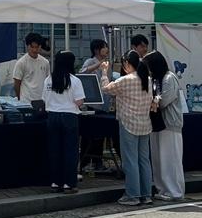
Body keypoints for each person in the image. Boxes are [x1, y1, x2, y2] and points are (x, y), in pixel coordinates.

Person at [103, 52, 154, 207]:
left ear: (127, 63)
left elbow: (106, 89)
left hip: (128, 124)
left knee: (130, 161)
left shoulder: (125, 80)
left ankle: (133, 195)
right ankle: (146, 194)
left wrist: (105, 72)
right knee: (143, 161)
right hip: (144, 124)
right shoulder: (148, 79)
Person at [144, 51, 185, 201]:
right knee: (158, 158)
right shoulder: (156, 79)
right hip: (156, 123)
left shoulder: (169, 78)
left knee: (170, 159)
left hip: (169, 123)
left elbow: (164, 101)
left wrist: (151, 101)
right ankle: (163, 189)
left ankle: (175, 191)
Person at [42, 51, 85, 193]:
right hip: (69, 117)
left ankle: (55, 182)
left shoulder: (49, 79)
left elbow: (44, 99)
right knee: (70, 151)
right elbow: (79, 102)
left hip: (52, 116)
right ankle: (69, 183)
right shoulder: (74, 80)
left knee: (55, 150)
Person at [80, 39, 113, 173]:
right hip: (92, 105)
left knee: (100, 136)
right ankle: (85, 162)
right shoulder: (90, 61)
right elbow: (82, 73)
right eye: (104, 47)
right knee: (89, 135)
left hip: (104, 103)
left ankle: (98, 161)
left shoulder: (107, 64)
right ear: (96, 50)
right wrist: (98, 65)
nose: (107, 50)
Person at [12, 33, 51, 113]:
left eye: (37, 47)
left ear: (40, 47)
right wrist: (19, 98)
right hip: (26, 102)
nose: (34, 50)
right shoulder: (21, 62)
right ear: (27, 46)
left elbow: (48, 81)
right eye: (32, 47)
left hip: (42, 101)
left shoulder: (45, 62)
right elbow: (17, 83)